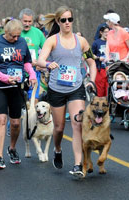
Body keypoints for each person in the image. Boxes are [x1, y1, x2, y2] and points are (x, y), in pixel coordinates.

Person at [37, 6, 96, 177]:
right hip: (56, 89)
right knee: (59, 127)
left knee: (77, 124)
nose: (67, 23)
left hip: (76, 88)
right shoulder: (52, 41)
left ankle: (78, 164)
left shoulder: (81, 41)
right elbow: (41, 59)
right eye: (63, 20)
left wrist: (91, 80)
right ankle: (57, 149)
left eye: (70, 19)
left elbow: (91, 63)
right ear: (58, 22)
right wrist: (48, 64)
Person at [0, 19, 36, 169]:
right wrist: (5, 78)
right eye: (13, 36)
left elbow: (27, 62)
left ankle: (12, 148)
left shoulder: (21, 42)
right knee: (0, 119)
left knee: (15, 123)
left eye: (18, 36)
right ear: (5, 33)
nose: (16, 39)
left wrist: (31, 74)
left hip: (16, 87)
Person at [19, 8, 46, 102]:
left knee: (33, 100)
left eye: (29, 21)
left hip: (34, 71)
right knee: (18, 102)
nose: (27, 24)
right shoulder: (16, 32)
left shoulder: (38, 33)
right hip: (18, 72)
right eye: (25, 21)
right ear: (20, 20)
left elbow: (47, 49)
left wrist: (41, 63)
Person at [92, 26, 109, 97]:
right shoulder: (96, 43)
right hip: (100, 69)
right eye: (105, 32)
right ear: (101, 32)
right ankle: (99, 106)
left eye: (108, 32)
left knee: (108, 88)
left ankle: (108, 106)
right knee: (100, 89)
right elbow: (90, 55)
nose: (107, 34)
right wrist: (98, 58)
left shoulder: (111, 42)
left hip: (110, 68)